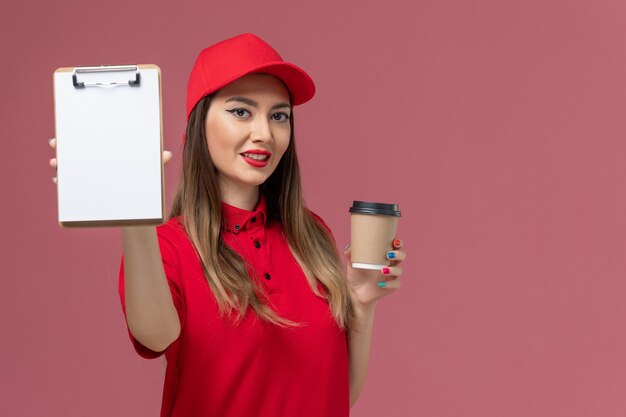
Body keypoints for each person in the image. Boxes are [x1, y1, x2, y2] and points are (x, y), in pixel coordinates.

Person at [49, 33, 406, 417]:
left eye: (279, 116)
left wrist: (362, 304)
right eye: (241, 111)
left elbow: (337, 394)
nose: (264, 133)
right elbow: (154, 335)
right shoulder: (168, 247)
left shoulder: (312, 236)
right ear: (200, 124)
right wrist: (136, 212)